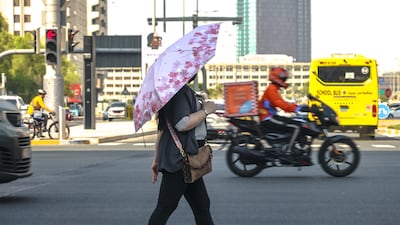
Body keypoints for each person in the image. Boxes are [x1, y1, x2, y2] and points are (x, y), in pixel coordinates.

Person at [148, 78, 217, 225]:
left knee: (202, 205)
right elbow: (182, 123)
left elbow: (163, 129)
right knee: (165, 207)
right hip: (180, 160)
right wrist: (206, 111)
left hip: (186, 159)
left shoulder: (176, 91)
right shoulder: (180, 92)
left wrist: (156, 158)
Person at [257, 67, 311, 164]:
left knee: (295, 122)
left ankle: (290, 147)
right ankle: (288, 153)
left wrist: (299, 106)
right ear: (276, 78)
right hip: (268, 118)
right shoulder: (271, 89)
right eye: (282, 78)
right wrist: (296, 109)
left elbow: (283, 102)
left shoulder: (273, 89)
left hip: (272, 117)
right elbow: (280, 103)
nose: (284, 80)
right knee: (296, 127)